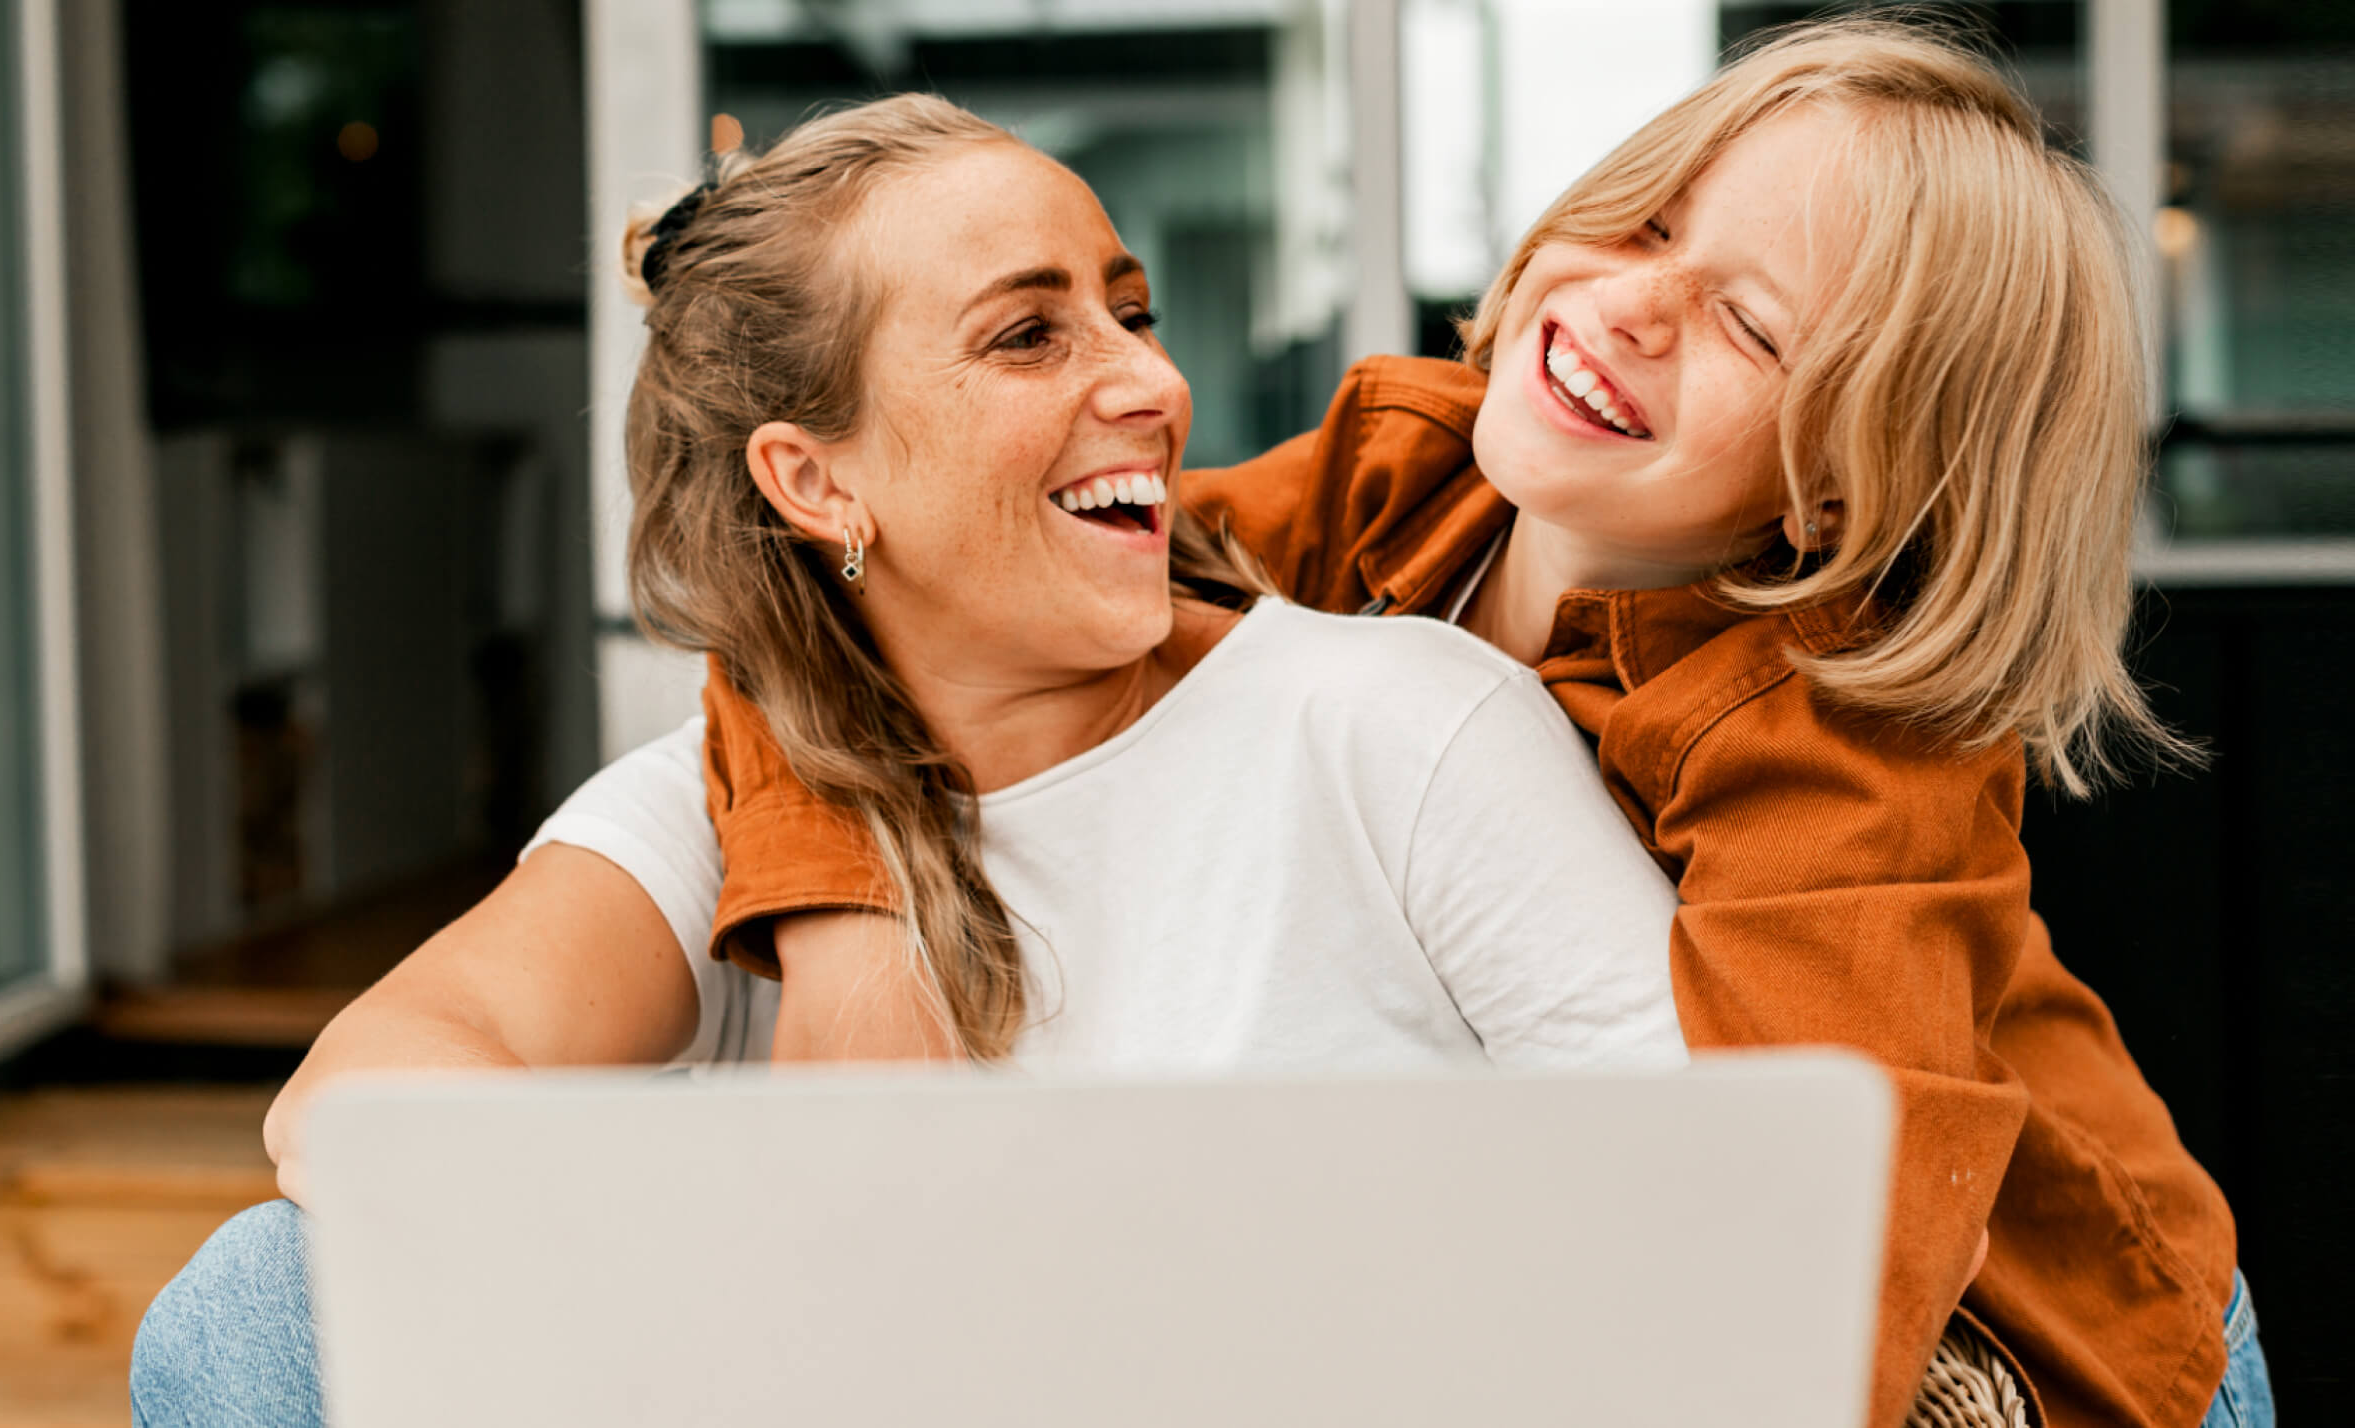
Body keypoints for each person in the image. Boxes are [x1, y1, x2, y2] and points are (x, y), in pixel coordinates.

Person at [684, 20, 2271, 1428]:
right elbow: (884, 593)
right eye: (1648, 221)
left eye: (1754, 328)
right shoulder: (1397, 479)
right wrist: (852, 926)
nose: (1636, 303)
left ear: (1851, 477)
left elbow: (1827, 1250)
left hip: (2022, 1347)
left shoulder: (1841, 746)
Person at [130, 95, 1689, 1426]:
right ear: (817, 481)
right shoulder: (723, 805)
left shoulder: (1391, 723)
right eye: (1029, 336)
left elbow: (1692, 1223)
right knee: (256, 1304)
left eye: (1128, 313)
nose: (1151, 386)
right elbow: (356, 1098)